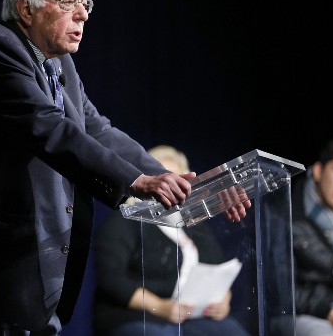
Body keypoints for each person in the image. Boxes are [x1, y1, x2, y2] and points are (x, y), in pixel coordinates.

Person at [0, 0, 249, 335]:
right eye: (68, 2)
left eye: (85, 3)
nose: (83, 14)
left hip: (32, 272)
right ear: (27, 9)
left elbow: (96, 129)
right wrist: (138, 182)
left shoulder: (60, 64)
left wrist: (174, 181)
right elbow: (52, 130)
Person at [93, 144, 250, 336]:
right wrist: (160, 307)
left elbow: (218, 270)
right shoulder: (124, 221)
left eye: (175, 180)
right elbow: (112, 280)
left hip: (191, 319)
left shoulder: (195, 226)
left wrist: (224, 300)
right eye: (163, 179)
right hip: (136, 317)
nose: (169, 188)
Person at [292, 136, 333, 335]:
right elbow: (283, 290)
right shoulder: (288, 210)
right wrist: (329, 311)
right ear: (318, 171)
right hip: (306, 313)